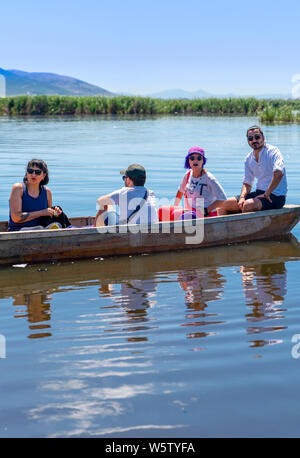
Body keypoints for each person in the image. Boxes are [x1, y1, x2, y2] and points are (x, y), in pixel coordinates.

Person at [218, 126, 287, 215]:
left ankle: (244, 228)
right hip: (259, 193)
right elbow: (247, 183)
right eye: (250, 138)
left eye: (257, 137)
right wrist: (242, 197)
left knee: (247, 205)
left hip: (275, 196)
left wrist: (267, 193)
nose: (254, 140)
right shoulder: (248, 158)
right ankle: (225, 229)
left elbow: (279, 173)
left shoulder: (273, 151)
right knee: (223, 204)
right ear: (248, 141)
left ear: (263, 137)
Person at [159, 146, 226, 221]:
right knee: (162, 211)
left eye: (199, 158)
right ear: (188, 161)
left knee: (176, 214)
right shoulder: (187, 175)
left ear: (203, 161)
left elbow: (222, 199)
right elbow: (180, 192)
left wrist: (206, 210)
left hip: (205, 215)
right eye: (192, 158)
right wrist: (175, 206)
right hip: (190, 211)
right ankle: (170, 229)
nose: (195, 161)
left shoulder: (209, 178)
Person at [8, 159, 62, 231]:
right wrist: (42, 212)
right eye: (30, 171)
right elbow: (16, 218)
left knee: (58, 225)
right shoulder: (18, 188)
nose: (33, 175)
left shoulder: (47, 192)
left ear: (44, 175)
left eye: (38, 172)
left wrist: (55, 213)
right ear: (26, 173)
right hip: (18, 231)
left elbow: (47, 217)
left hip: (41, 229)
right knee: (40, 228)